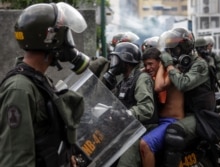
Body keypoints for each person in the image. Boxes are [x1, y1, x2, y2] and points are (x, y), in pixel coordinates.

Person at [0, 2, 90, 167]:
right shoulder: (19, 89)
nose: (68, 43)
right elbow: (16, 160)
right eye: (65, 34)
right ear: (50, 38)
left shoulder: (38, 82)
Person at [157, 27, 220, 167]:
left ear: (185, 46)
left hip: (202, 116)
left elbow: (183, 84)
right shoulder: (183, 64)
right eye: (169, 49)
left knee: (173, 133)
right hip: (189, 113)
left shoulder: (199, 64)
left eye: (175, 49)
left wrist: (170, 65)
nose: (172, 53)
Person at [103, 42, 157, 167]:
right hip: (127, 128)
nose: (114, 63)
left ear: (125, 61)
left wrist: (124, 113)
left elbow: (146, 109)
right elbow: (117, 103)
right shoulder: (124, 81)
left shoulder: (141, 78)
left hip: (141, 130)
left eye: (116, 59)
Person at [140, 47, 184, 167]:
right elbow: (139, 73)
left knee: (145, 144)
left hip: (172, 122)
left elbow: (159, 87)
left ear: (160, 62)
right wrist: (149, 68)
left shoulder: (172, 72)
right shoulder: (158, 73)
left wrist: (161, 66)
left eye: (150, 64)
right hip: (160, 121)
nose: (148, 67)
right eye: (145, 64)